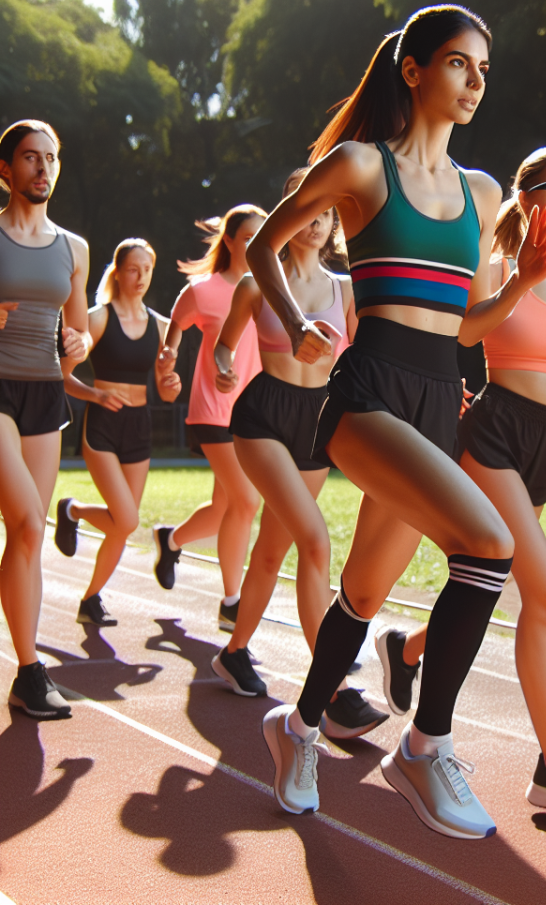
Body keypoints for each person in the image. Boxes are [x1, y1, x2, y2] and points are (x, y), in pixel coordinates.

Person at [246, 5, 546, 839]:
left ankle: (296, 729)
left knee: (364, 591)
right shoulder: (359, 166)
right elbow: (261, 248)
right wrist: (297, 319)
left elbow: (460, 327)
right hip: (368, 394)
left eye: (484, 71)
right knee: (489, 545)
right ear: (414, 70)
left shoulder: (483, 193)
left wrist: (521, 284)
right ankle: (427, 744)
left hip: (435, 397)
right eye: (459, 64)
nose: (474, 83)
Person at [376, 146, 546, 816]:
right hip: (495, 430)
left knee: (493, 584)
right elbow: (465, 334)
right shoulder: (494, 268)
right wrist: (523, 282)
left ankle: (405, 648)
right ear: (527, 194)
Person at [210, 168, 387, 738]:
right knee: (315, 541)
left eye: (325, 212)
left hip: (316, 426)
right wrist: (221, 367)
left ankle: (235, 651)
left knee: (272, 547)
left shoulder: (345, 290)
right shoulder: (256, 285)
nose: (314, 222)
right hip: (262, 418)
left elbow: (366, 359)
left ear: (336, 221)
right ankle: (332, 692)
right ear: (287, 211)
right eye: (304, 209)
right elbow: (222, 350)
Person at [0, 119, 91, 719]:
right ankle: (32, 668)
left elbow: (77, 328)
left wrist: (78, 344)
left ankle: (26, 671)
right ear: (5, 170)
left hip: (43, 395)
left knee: (25, 538)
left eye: (51, 158)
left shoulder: (74, 248)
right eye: (31, 158)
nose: (43, 168)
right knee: (31, 522)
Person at [153, 206, 265, 630]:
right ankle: (232, 601)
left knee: (225, 506)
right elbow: (175, 330)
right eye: (249, 236)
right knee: (245, 501)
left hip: (255, 412)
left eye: (263, 236)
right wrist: (168, 362)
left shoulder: (269, 290)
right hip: (212, 409)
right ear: (231, 241)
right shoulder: (204, 290)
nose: (256, 244)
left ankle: (172, 539)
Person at [53, 239, 168, 627]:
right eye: (133, 269)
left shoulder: (161, 325)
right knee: (128, 519)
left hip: (139, 426)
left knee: (123, 523)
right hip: (102, 425)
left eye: (147, 269)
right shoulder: (99, 318)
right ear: (118, 272)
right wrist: (95, 394)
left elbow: (166, 387)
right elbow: (63, 375)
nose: (140, 277)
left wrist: (173, 386)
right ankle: (73, 511)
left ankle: (91, 597)